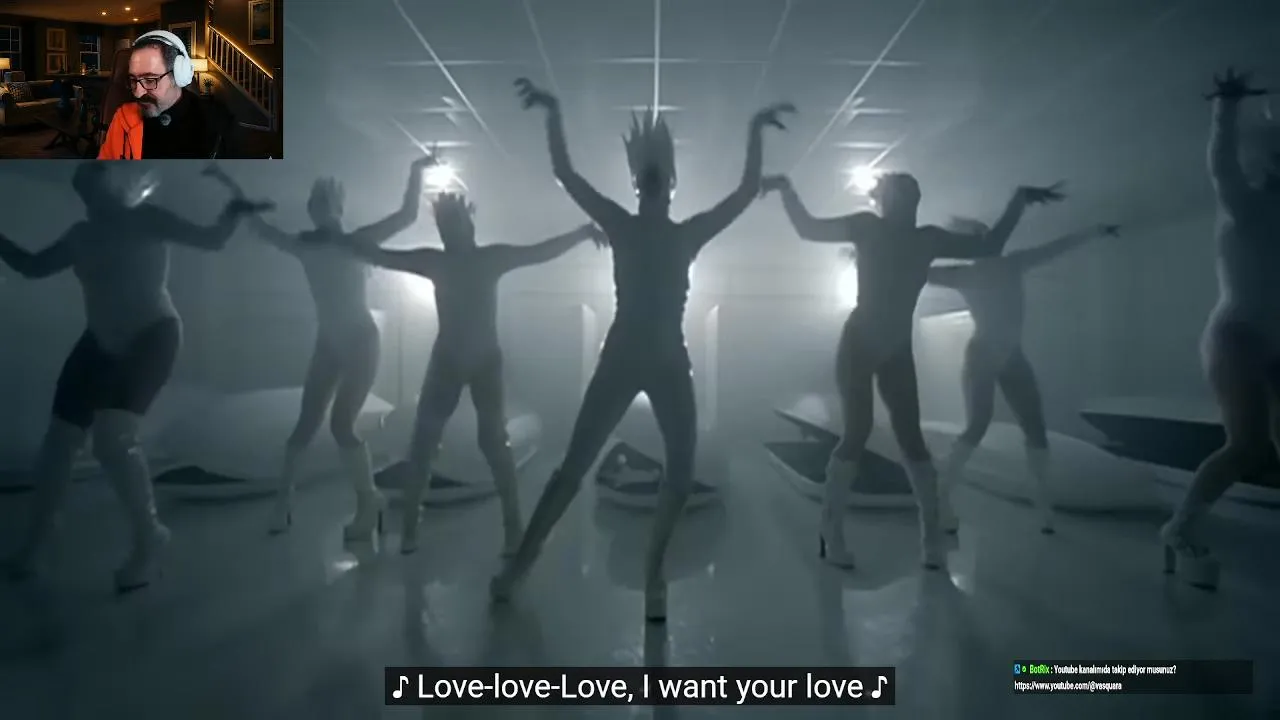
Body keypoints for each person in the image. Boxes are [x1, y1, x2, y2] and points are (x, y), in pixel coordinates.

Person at [490, 77, 793, 623]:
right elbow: (566, 174)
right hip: (625, 356)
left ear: (670, 180)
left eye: (659, 166)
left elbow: (746, 192)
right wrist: (553, 111)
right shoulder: (624, 223)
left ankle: (655, 574)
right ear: (638, 180)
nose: (652, 174)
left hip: (666, 360)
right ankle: (522, 565)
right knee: (573, 466)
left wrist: (754, 130)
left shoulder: (685, 233)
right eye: (646, 166)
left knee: (681, 468)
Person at [760, 172, 1064, 572]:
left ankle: (930, 537)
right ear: (884, 200)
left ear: (916, 201)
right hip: (860, 343)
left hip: (896, 349)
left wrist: (1018, 201)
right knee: (857, 430)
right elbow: (808, 229)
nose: (906, 201)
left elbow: (989, 245)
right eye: (898, 194)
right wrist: (786, 190)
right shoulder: (867, 227)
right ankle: (831, 531)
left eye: (911, 195)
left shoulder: (928, 239)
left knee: (912, 440)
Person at [1, 163, 271, 592]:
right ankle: (40, 538)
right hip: (99, 340)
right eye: (87, 193)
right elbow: (32, 267)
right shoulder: (81, 235)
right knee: (60, 440)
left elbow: (212, 240)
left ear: (114, 188)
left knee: (113, 437)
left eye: (99, 189)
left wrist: (234, 210)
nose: (94, 200)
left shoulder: (148, 219)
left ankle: (150, 538)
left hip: (153, 334)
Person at [328, 190, 606, 556]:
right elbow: (381, 256)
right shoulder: (438, 261)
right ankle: (412, 526)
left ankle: (512, 526)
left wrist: (581, 234)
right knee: (424, 444)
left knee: (492, 443)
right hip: (448, 361)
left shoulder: (486, 259)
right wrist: (341, 239)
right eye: (445, 226)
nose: (450, 232)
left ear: (469, 225)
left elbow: (539, 252)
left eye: (454, 223)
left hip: (484, 361)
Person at [201, 156, 435, 539]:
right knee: (305, 425)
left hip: (360, 341)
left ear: (338, 208)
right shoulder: (304, 245)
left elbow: (406, 215)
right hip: (329, 343)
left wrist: (416, 171)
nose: (318, 209)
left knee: (342, 424)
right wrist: (229, 182)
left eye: (324, 202)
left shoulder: (357, 242)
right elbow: (259, 227)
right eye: (314, 203)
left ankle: (368, 501)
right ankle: (283, 501)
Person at [926, 219, 1120, 534]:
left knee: (1035, 427)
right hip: (983, 353)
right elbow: (912, 270)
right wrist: (873, 258)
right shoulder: (964, 273)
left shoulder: (1010, 264)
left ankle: (1043, 503)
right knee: (978, 424)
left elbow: (1056, 247)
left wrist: (1094, 231)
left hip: (1011, 356)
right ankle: (940, 495)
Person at [1161, 68, 1277, 591]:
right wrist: (1225, 110)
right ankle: (1179, 528)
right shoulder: (1245, 205)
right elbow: (1222, 167)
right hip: (1237, 336)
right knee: (1247, 445)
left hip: (1272, 340)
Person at [98, 31, 236, 160]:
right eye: (133, 80)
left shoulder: (216, 122)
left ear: (178, 75)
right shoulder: (124, 117)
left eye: (150, 80)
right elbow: (105, 170)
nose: (138, 93)